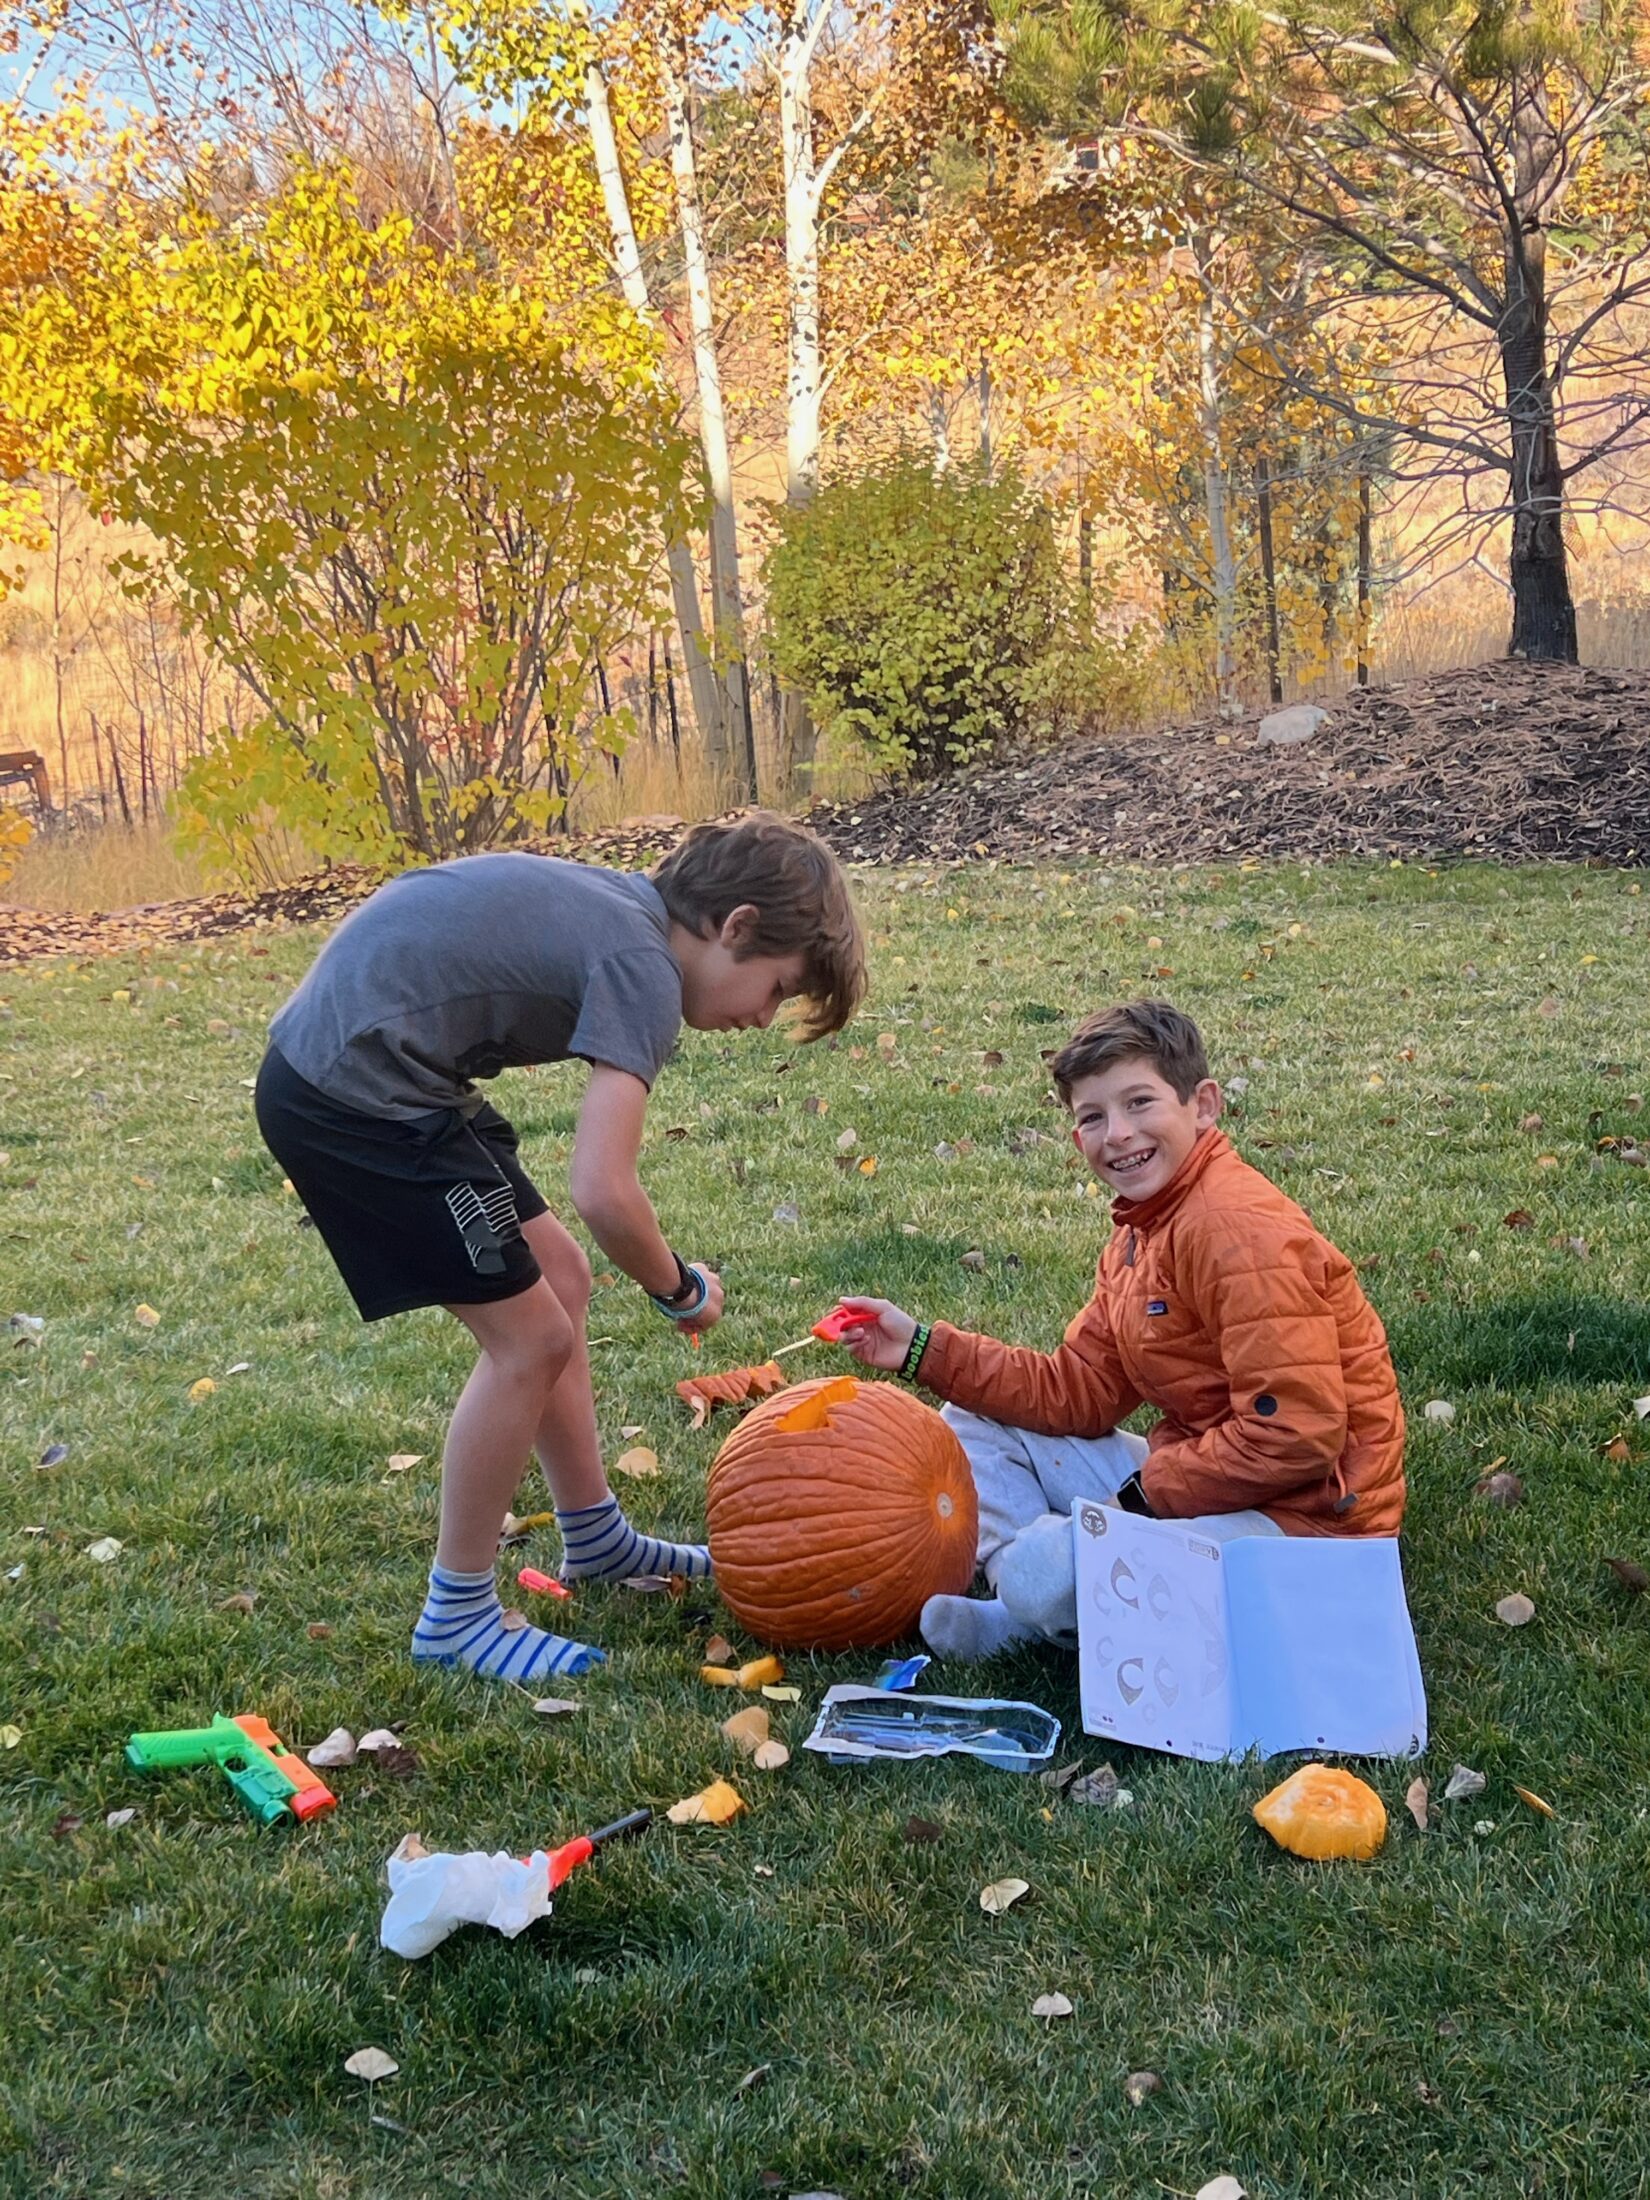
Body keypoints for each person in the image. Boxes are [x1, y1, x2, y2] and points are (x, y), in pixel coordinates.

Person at [256, 814, 866, 1684]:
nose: (764, 1017)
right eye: (775, 988)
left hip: (399, 1077)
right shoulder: (645, 969)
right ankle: (458, 1615)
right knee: (530, 1339)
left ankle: (596, 1541)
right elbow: (603, 1190)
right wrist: (679, 1287)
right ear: (734, 927)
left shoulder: (627, 915)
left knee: (560, 1276)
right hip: (354, 1095)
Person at [836, 999, 1405, 1660]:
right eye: (1093, 1117)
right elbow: (1077, 1392)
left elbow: (1295, 1435)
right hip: (1207, 1483)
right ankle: (1027, 1601)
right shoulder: (1144, 1230)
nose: (1119, 1135)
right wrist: (921, 1347)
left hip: (1309, 1531)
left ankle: (1042, 1603)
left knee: (1050, 1568)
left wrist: (1134, 1503)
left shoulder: (1234, 1229)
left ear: (1203, 1105)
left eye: (1140, 1103)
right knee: (973, 1418)